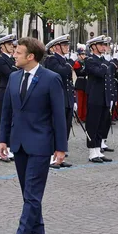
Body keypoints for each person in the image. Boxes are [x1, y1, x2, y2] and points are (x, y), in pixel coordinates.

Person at [0, 37, 67, 234]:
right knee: (28, 193)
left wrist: (60, 148)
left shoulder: (51, 78)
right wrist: (3, 140)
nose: (14, 55)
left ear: (31, 57)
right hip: (18, 143)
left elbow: (58, 115)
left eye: (18, 53)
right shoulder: (13, 78)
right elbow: (6, 112)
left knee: (32, 193)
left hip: (40, 144)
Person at [42, 35, 74, 168]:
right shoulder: (52, 60)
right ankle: (51, 156)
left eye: (67, 45)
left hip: (66, 99)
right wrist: (69, 65)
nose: (67, 47)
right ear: (56, 47)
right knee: (54, 128)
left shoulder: (64, 60)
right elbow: (61, 72)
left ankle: (60, 154)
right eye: (64, 45)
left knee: (64, 128)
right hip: (56, 99)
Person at [83, 36, 113, 163]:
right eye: (100, 45)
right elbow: (100, 73)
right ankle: (92, 151)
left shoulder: (102, 60)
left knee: (102, 123)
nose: (103, 47)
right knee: (93, 124)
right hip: (95, 96)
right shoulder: (90, 60)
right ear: (93, 47)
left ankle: (98, 149)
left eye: (104, 45)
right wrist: (106, 64)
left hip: (104, 96)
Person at [0, 34, 19, 162]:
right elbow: (10, 74)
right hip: (3, 92)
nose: (12, 47)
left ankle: (9, 147)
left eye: (12, 44)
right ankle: (1, 149)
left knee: (11, 120)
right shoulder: (0, 60)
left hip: (11, 92)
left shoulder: (11, 59)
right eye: (9, 44)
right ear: (2, 46)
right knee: (2, 120)